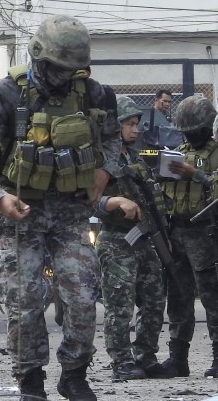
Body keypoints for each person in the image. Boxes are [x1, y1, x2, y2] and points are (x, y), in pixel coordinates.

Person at [0, 15, 121, 401]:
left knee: (82, 294)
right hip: (21, 210)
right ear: (40, 57)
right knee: (24, 300)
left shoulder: (96, 95)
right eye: (59, 67)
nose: (65, 76)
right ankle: (30, 378)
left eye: (72, 69)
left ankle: (74, 374)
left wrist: (104, 173)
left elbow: (114, 140)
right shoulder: (6, 96)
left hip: (71, 210)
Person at [96, 95, 168, 380]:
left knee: (154, 299)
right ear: (114, 126)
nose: (135, 130)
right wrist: (114, 202)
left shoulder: (135, 158)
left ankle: (146, 356)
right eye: (129, 124)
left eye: (136, 124)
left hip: (143, 239)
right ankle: (121, 361)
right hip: (117, 240)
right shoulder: (101, 160)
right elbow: (87, 200)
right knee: (119, 304)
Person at [157, 94, 218, 377]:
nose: (189, 136)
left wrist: (197, 175)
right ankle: (178, 358)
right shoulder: (178, 153)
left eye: (194, 131)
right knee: (179, 296)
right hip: (177, 230)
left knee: (212, 295)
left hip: (206, 232)